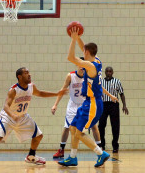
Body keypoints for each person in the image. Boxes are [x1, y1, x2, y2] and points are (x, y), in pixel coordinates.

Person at [0, 67, 68, 166]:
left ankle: (31, 156)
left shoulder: (31, 86)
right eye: (26, 73)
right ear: (19, 77)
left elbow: (40, 93)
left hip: (23, 117)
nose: (29, 74)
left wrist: (56, 93)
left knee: (38, 136)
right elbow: (5, 106)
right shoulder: (14, 90)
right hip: (8, 117)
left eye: (29, 72)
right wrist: (12, 115)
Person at [58, 27, 110, 167]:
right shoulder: (97, 60)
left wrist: (73, 40)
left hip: (93, 103)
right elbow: (84, 48)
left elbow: (70, 58)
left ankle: (101, 153)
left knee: (79, 133)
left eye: (84, 51)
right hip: (88, 102)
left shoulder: (90, 66)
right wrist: (78, 37)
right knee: (73, 128)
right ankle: (72, 158)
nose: (83, 52)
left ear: (87, 53)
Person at [52, 59, 118, 158]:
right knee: (68, 128)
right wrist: (55, 104)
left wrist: (110, 95)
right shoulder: (70, 76)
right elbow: (62, 89)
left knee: (94, 127)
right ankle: (61, 150)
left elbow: (100, 88)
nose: (82, 67)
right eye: (80, 65)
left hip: (85, 104)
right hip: (73, 104)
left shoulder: (89, 75)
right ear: (77, 65)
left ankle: (100, 148)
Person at [98, 66, 128, 153]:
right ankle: (102, 145)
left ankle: (115, 146)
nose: (108, 73)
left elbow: (121, 94)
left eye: (110, 71)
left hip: (114, 105)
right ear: (105, 72)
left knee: (115, 126)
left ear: (112, 72)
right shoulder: (101, 82)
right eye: (107, 71)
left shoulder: (117, 81)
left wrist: (124, 105)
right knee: (101, 126)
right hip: (103, 105)